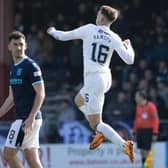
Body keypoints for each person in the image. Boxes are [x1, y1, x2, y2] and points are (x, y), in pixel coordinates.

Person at [47, 5, 135, 163]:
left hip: (94, 80)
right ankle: (99, 133)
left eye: (98, 14)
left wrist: (52, 31)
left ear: (101, 17)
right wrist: (129, 46)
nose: (96, 16)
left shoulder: (89, 29)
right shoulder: (114, 36)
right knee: (78, 100)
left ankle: (124, 145)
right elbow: (130, 60)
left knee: (96, 123)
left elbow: (63, 36)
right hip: (105, 78)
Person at [0, 31, 45, 168]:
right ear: (9, 47)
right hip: (26, 119)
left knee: (8, 154)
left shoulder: (30, 66)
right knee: (31, 158)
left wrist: (31, 117)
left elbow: (41, 94)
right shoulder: (13, 68)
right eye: (15, 44)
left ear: (26, 46)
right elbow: (11, 98)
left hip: (27, 120)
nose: (18, 47)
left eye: (21, 44)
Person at [133, 90, 159, 167]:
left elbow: (155, 120)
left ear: (141, 97)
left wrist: (155, 132)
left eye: (136, 97)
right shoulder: (138, 107)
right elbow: (136, 120)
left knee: (147, 151)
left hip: (148, 131)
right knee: (142, 151)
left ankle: (148, 166)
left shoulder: (151, 106)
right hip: (140, 131)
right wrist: (134, 131)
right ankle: (144, 165)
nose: (135, 98)